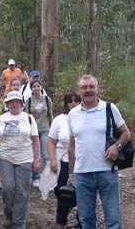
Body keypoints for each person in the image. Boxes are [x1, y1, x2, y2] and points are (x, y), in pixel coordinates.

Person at [67, 74, 131, 229]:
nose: (88, 90)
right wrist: (71, 174)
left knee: (113, 219)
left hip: (107, 171)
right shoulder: (73, 114)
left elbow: (126, 133)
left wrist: (117, 146)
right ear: (79, 90)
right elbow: (72, 145)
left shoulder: (109, 108)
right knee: (86, 220)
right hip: (82, 174)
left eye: (91, 87)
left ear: (97, 89)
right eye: (84, 87)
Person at [0, 91, 40, 229]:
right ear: (8, 104)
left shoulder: (29, 118)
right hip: (5, 157)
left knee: (22, 191)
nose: (14, 104)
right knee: (7, 188)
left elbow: (35, 140)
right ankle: (9, 214)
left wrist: (36, 159)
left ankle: (19, 221)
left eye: (17, 101)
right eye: (12, 101)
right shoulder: (1, 118)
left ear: (21, 103)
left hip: (25, 157)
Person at [47, 90, 82, 229]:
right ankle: (61, 221)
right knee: (62, 193)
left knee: (83, 194)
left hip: (83, 163)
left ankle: (82, 222)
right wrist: (52, 160)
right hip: (63, 161)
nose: (73, 104)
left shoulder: (85, 117)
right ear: (66, 103)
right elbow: (51, 141)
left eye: (76, 101)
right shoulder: (59, 120)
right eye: (70, 101)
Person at [25, 79, 53, 188]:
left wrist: (52, 127)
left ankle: (48, 179)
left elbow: (50, 114)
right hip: (33, 131)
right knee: (34, 155)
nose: (36, 88)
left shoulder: (47, 99)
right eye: (34, 86)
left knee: (46, 155)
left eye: (38, 86)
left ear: (41, 87)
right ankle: (35, 177)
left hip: (45, 129)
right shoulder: (29, 101)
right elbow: (27, 116)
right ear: (31, 89)